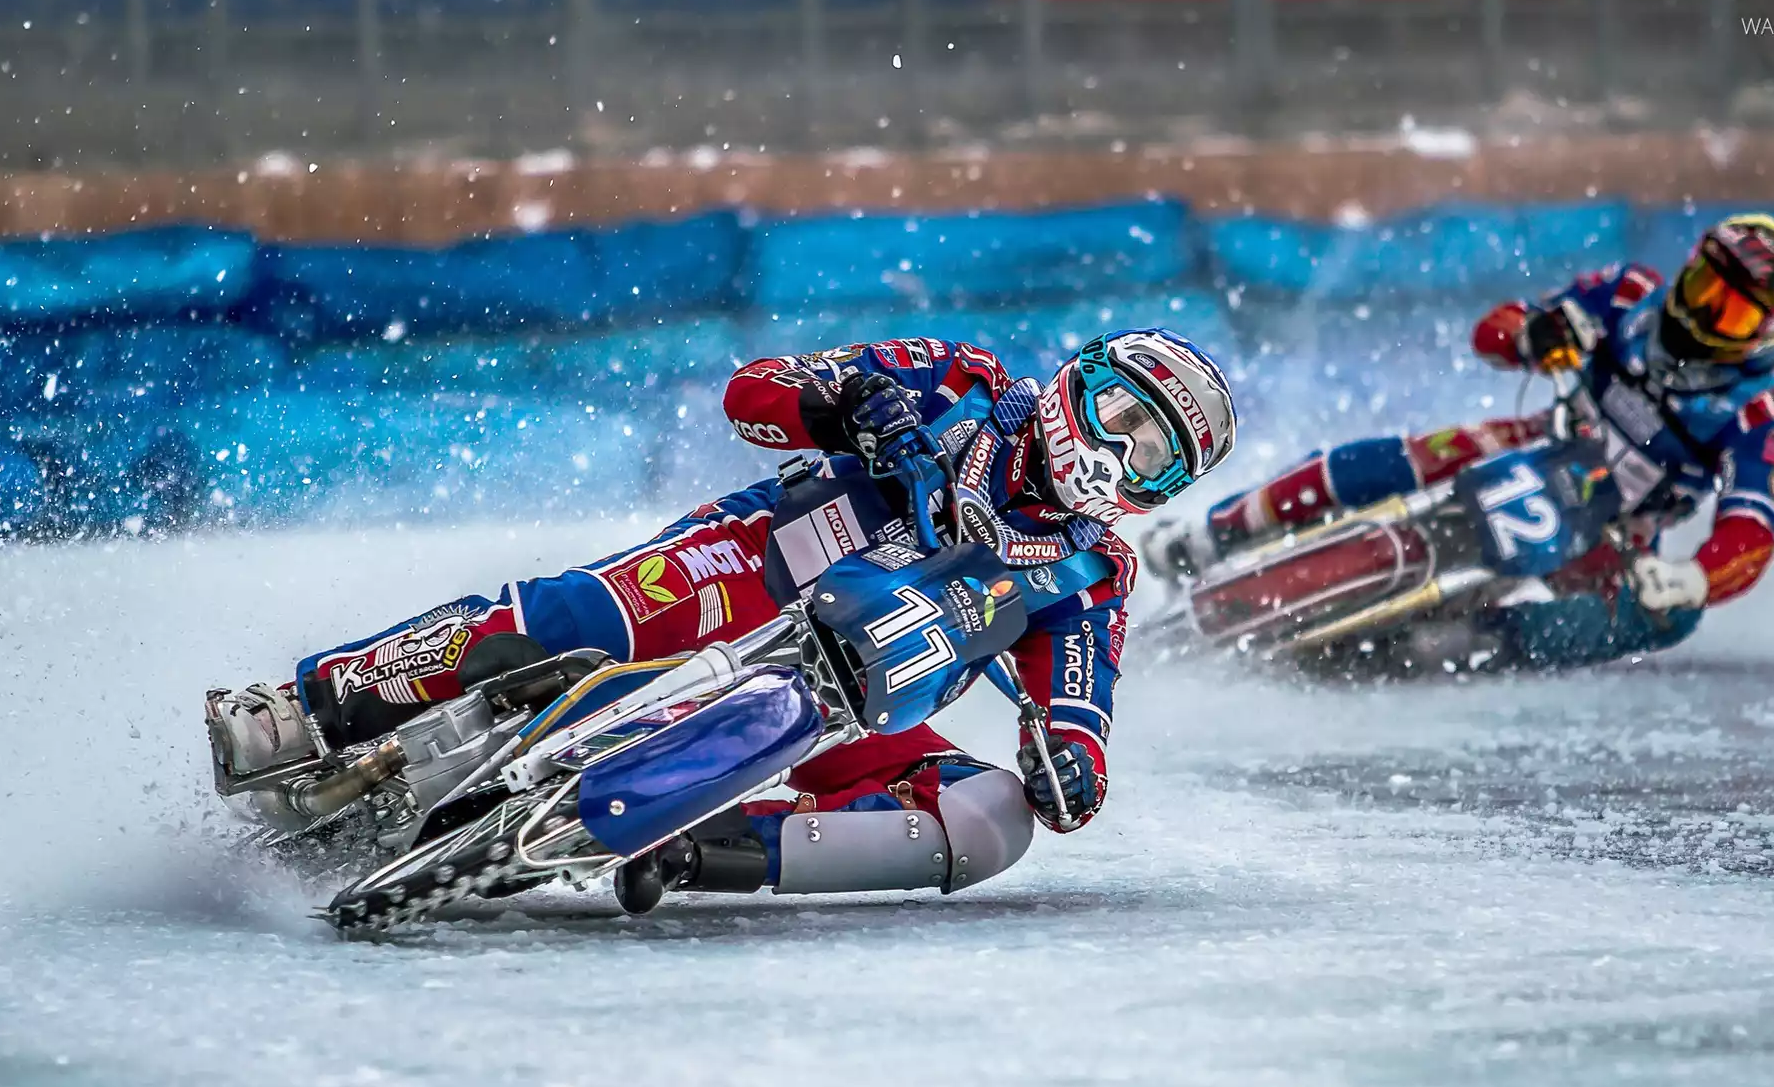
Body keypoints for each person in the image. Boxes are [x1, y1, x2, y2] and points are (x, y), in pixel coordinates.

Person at [209, 330, 1237, 908]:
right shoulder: (965, 384)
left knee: (991, 819)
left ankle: (698, 848)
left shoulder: (1090, 573)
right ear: (1077, 384)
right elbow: (756, 390)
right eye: (1121, 413)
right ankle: (314, 703)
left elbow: (1081, 706)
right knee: (575, 616)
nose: (1119, 450)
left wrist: (1071, 766)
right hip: (748, 566)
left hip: (849, 709)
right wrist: (844, 402)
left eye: (1154, 452)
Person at [1142, 213, 1774, 670]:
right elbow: (1495, 330)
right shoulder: (1630, 292)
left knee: (1670, 621)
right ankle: (1214, 532)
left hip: (1616, 531)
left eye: (1729, 310)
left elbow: (1751, 536)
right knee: (1417, 450)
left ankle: (1456, 648)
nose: (1698, 312)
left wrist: (1693, 577)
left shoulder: (1764, 419)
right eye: (1701, 287)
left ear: (1769, 333)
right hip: (1544, 437)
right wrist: (1536, 334)